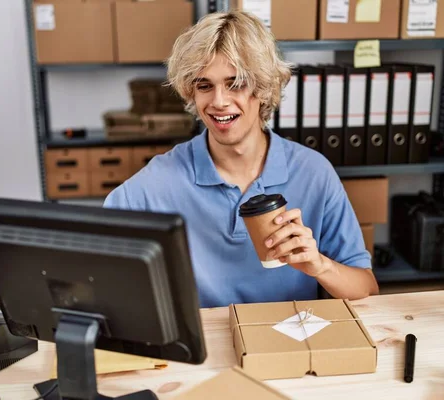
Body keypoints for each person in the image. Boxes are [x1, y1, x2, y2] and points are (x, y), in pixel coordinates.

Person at [104, 10, 379, 308]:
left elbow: (367, 288)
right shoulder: (157, 182)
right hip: (206, 349)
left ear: (262, 88)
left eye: (235, 84)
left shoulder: (313, 172)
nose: (219, 101)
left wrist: (319, 266)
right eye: (204, 85)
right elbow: (99, 266)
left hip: (290, 342)